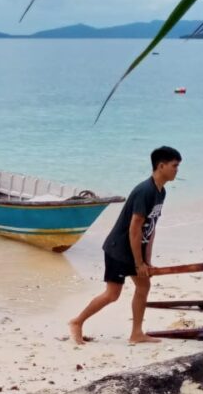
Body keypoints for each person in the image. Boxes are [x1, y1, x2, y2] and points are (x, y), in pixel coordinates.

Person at [69, 146, 182, 345]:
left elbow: (151, 227)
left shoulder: (160, 192)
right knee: (112, 294)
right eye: (174, 166)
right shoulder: (144, 191)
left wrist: (147, 261)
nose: (177, 170)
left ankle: (136, 333)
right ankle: (77, 322)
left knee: (144, 286)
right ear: (161, 165)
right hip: (119, 249)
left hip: (135, 249)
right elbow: (134, 229)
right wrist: (138, 263)